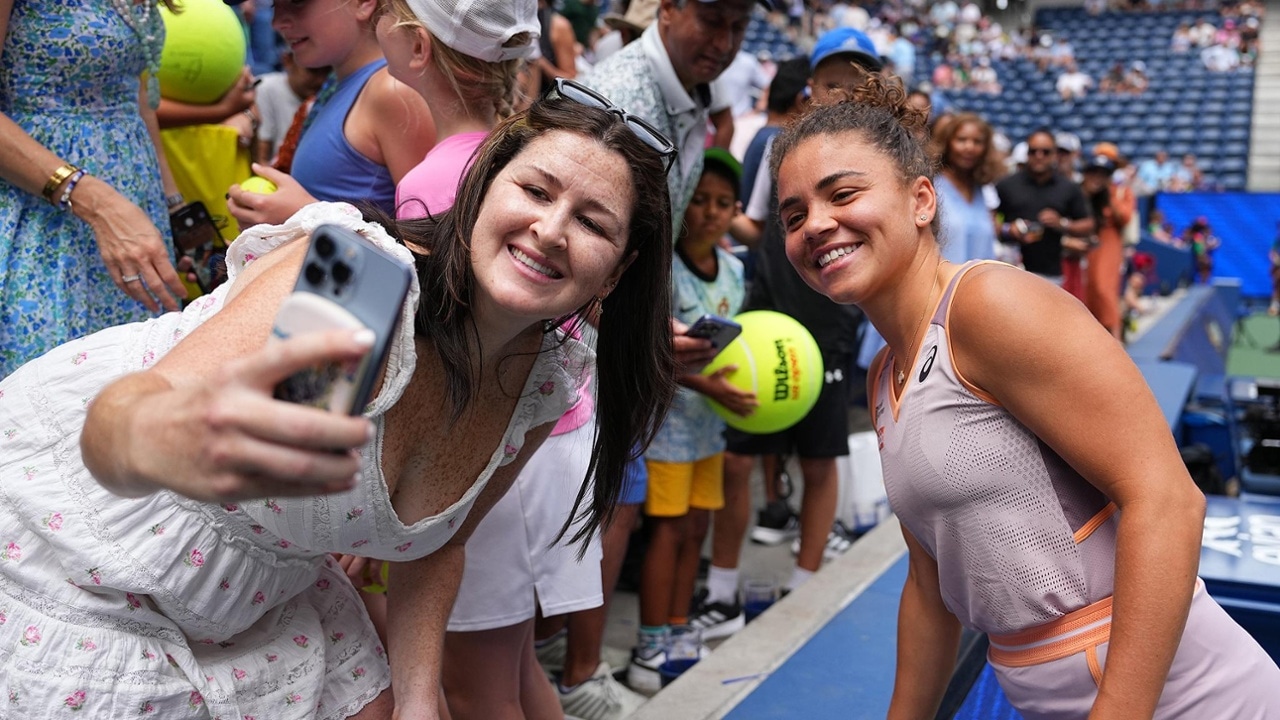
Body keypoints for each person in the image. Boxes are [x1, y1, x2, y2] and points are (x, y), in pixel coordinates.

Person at [0, 95, 677, 719]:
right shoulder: (362, 287)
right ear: (482, 189)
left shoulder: (544, 381)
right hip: (82, 554)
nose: (551, 229)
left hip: (259, 590)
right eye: (534, 190)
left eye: (592, 222)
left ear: (617, 271)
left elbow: (438, 546)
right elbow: (121, 421)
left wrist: (419, 702)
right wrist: (160, 441)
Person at [770, 72, 1280, 720]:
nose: (816, 224)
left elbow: (1168, 500)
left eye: (841, 193)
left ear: (921, 200)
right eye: (793, 216)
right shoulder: (884, 378)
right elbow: (930, 593)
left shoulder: (989, 306)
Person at [0, 0, 190, 377]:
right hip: (39, 218)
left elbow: (136, 101)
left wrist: (174, 208)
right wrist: (93, 201)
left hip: (133, 213)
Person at [628, 147, 752, 694]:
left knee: (697, 528)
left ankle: (679, 631)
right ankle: (649, 643)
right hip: (669, 427)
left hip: (710, 426)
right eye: (700, 199)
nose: (710, 211)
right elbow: (653, 353)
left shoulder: (735, 271)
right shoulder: (665, 267)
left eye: (723, 203)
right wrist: (704, 383)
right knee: (670, 531)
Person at [227, 0, 436, 227]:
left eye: (296, 4)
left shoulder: (392, 91)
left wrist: (305, 215)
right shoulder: (336, 83)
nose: (277, 23)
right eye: (275, 6)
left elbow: (430, 240)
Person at [996, 129, 1093, 286]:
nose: (1039, 156)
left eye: (1045, 152)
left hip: (1050, 273)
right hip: (1009, 270)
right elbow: (991, 221)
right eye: (1033, 151)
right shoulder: (1006, 185)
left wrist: (1062, 224)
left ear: (1055, 154)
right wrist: (1009, 229)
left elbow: (1088, 224)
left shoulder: (1068, 188)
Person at [931, 112, 1001, 264]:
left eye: (977, 142)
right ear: (947, 143)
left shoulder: (982, 191)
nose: (969, 147)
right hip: (941, 285)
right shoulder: (932, 186)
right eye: (961, 140)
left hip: (980, 284)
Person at [1080, 148, 1135, 339]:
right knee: (1088, 290)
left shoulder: (1120, 192)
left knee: (1105, 289)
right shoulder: (1085, 189)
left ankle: (1115, 340)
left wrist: (1108, 195)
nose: (1098, 176)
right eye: (1095, 171)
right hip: (1087, 245)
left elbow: (1125, 218)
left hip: (1109, 243)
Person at [253, 50, 331, 165]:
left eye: (326, 72)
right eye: (313, 71)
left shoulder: (329, 95)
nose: (320, 80)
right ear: (288, 61)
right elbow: (260, 162)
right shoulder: (265, 88)